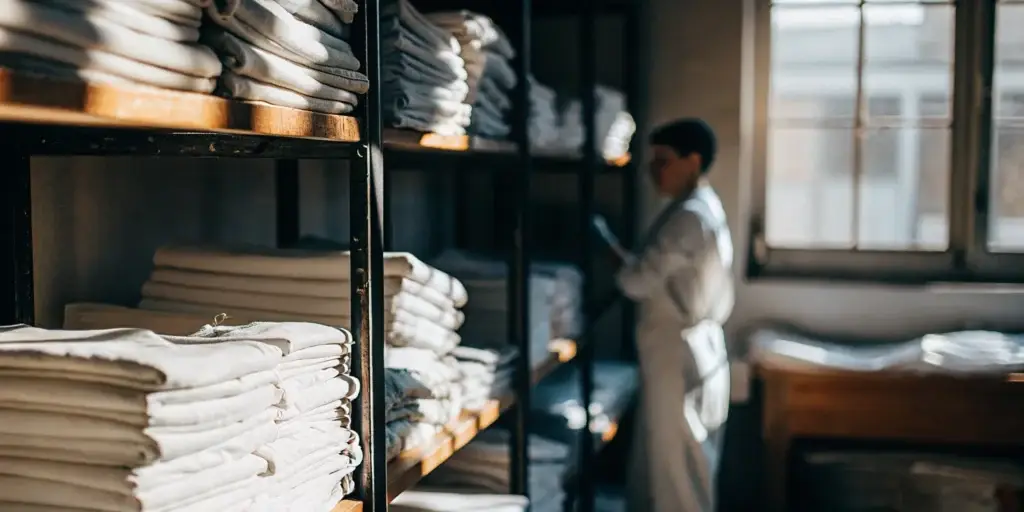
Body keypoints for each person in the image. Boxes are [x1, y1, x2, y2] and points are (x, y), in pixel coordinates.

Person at [597, 118, 734, 512]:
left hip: (679, 354)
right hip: (696, 350)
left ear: (692, 161)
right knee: (683, 465)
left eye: (663, 160)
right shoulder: (703, 206)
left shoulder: (688, 216)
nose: (653, 170)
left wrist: (605, 243)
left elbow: (637, 281)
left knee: (676, 475)